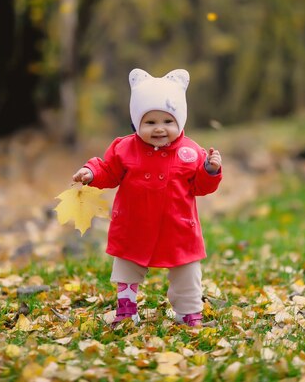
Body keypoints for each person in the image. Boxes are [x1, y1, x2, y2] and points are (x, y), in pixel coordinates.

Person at [72, 68, 222, 327]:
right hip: (134, 224)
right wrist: (91, 172)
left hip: (178, 227)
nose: (159, 129)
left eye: (168, 122)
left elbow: (200, 186)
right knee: (127, 267)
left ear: (180, 121)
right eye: (150, 122)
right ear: (136, 122)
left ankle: (188, 312)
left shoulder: (191, 152)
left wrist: (210, 170)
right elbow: (109, 171)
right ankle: (127, 307)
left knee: (187, 273)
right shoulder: (124, 148)